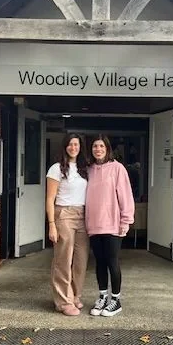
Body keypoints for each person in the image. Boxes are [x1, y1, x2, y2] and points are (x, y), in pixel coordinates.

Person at [86, 134, 135, 317]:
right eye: (94, 146)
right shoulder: (89, 169)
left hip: (113, 224)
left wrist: (126, 220)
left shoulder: (117, 168)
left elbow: (125, 195)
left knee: (112, 262)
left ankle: (116, 300)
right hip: (94, 224)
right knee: (99, 262)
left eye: (101, 146)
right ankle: (102, 297)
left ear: (107, 148)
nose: (98, 149)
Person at [46, 133, 89, 316]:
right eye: (70, 144)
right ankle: (63, 301)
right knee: (63, 259)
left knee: (81, 259)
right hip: (63, 214)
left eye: (76, 144)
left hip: (83, 215)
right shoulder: (56, 169)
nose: (73, 147)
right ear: (65, 146)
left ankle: (75, 295)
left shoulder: (84, 168)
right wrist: (51, 224)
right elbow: (49, 199)